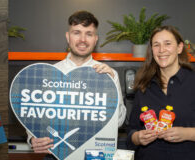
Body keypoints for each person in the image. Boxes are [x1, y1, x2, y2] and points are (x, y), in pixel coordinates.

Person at [27, 10, 127, 159]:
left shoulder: (108, 75)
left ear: (95, 39)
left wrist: (110, 86)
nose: (82, 39)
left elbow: (118, 122)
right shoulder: (49, 74)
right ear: (68, 37)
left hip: (93, 154)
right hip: (55, 154)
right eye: (76, 33)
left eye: (89, 34)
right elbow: (35, 116)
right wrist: (32, 139)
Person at [127, 25, 195, 160]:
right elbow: (131, 133)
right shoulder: (143, 85)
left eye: (168, 44)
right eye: (156, 45)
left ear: (179, 48)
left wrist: (188, 134)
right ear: (152, 50)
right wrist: (138, 138)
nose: (161, 50)